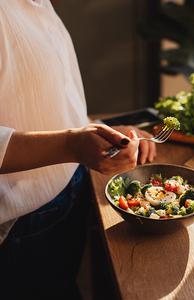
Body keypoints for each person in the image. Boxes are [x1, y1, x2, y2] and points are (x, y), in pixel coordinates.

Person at [0, 1, 156, 299]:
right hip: (22, 225)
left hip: (69, 191)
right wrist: (71, 143)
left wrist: (98, 130)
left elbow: (46, 90)